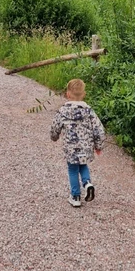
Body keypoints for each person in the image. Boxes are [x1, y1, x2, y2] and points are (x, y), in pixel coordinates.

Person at [50, 78, 106, 207]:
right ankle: (87, 183)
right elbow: (99, 129)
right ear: (84, 94)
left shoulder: (63, 111)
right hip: (86, 147)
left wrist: (54, 137)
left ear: (68, 94)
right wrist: (98, 146)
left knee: (73, 169)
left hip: (71, 148)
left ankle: (75, 196)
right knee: (83, 165)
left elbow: (55, 126)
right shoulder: (89, 111)